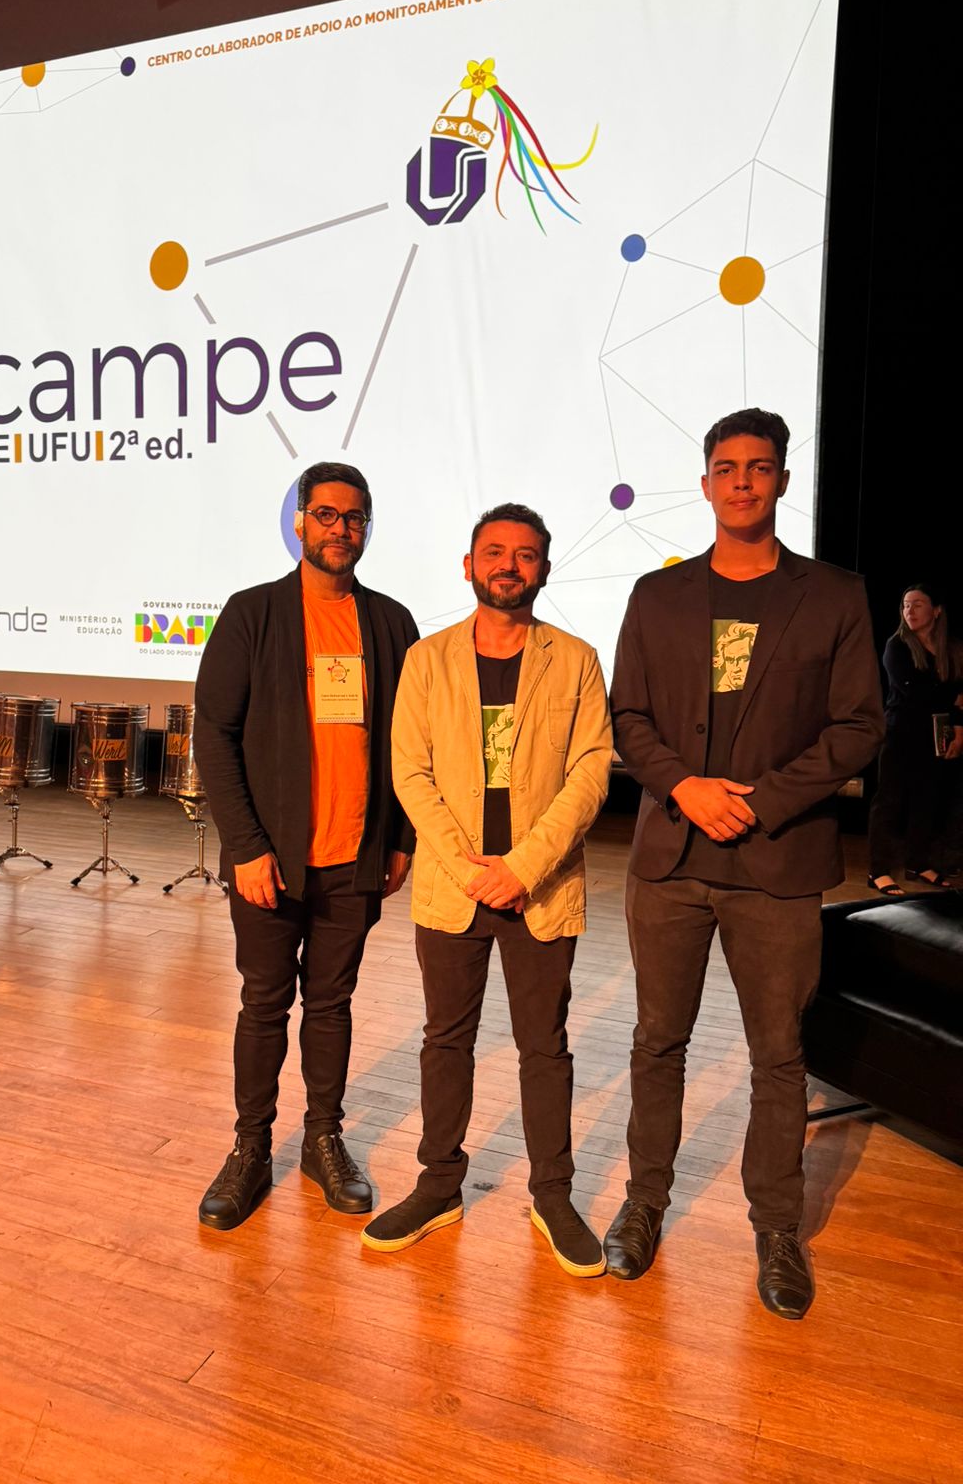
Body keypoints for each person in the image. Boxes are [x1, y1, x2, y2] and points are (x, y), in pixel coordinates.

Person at [608, 408, 884, 1319]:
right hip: (671, 859)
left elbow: (860, 727)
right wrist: (685, 788)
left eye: (758, 467)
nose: (741, 482)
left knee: (778, 1055)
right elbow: (628, 719)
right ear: (705, 484)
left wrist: (760, 801)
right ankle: (644, 1202)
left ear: (782, 481)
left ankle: (777, 1228)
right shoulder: (658, 595)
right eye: (726, 467)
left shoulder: (834, 596)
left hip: (778, 860)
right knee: (657, 1042)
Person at [362, 504, 612, 1274]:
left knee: (545, 1046)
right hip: (454, 884)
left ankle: (553, 1196)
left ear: (545, 569)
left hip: (541, 887)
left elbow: (591, 771)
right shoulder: (427, 659)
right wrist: (473, 868)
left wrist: (522, 867)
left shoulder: (576, 659)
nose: (509, 565)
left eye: (525, 554)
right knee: (447, 1040)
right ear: (468, 565)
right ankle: (439, 1185)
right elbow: (410, 770)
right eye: (495, 552)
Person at [193, 461, 419, 1230]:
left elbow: (410, 741)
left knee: (331, 1003)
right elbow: (214, 735)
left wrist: (399, 838)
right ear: (299, 522)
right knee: (264, 1003)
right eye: (326, 514)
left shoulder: (390, 623)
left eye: (353, 517)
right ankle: (250, 1148)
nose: (340, 529)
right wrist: (246, 847)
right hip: (270, 862)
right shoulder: (252, 614)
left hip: (355, 859)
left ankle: (324, 1140)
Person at [867, 582, 963, 895]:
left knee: (927, 800)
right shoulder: (897, 646)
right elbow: (914, 692)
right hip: (900, 733)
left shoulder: (951, 648)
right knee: (889, 801)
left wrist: (958, 725)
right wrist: (952, 698)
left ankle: (917, 863)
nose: (909, 610)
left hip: (935, 736)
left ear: (936, 611)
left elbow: (957, 693)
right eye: (906, 605)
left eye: (917, 604)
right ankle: (878, 871)